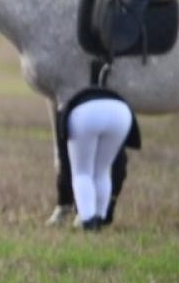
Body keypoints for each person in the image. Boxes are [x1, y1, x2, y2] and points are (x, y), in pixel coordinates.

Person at [60, 86, 140, 230]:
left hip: (84, 113)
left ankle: (88, 220)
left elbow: (62, 136)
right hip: (121, 112)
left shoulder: (73, 101)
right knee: (102, 171)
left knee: (82, 172)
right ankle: (100, 217)